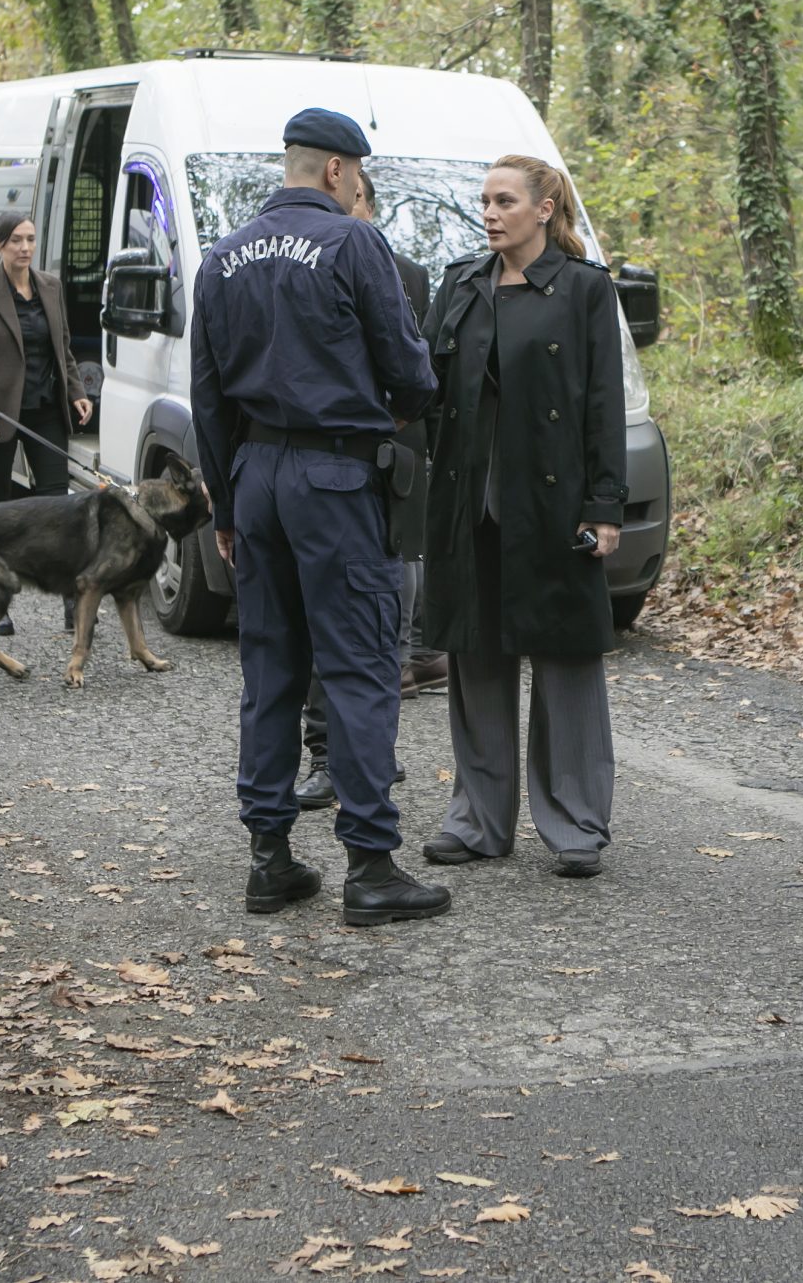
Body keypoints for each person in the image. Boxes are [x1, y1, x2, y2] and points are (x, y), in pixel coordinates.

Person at [189, 107, 449, 927]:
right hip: (335, 476)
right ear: (338, 171)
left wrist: (227, 508)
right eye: (358, 176)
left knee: (270, 667)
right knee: (362, 664)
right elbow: (410, 370)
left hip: (255, 475)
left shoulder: (222, 258)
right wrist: (401, 410)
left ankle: (270, 858)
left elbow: (206, 398)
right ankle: (371, 864)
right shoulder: (353, 242)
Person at [416, 155, 628, 880]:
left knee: (566, 658)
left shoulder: (584, 289)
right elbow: (426, 389)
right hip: (469, 501)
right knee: (476, 658)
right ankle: (477, 819)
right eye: (484, 201)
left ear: (544, 208)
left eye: (505, 200)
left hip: (553, 502)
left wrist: (605, 506)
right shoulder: (462, 285)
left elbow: (604, 402)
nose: (490, 212)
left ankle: (575, 824)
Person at [295, 165, 433, 811]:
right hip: (329, 469)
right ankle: (325, 753)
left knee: (391, 614)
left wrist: (397, 423)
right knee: (331, 613)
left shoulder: (409, 274)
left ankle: (376, 749)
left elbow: (420, 368)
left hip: (395, 464)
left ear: (364, 203)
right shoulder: (299, 262)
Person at [0, 211, 94, 637]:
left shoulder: (50, 286)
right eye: (15, 240)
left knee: (62, 509)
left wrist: (76, 391)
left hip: (47, 410)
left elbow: (62, 347)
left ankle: (74, 602)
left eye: (30, 239)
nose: (25, 247)